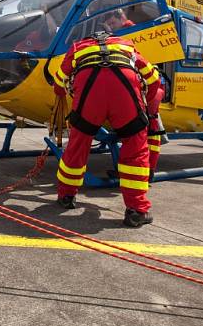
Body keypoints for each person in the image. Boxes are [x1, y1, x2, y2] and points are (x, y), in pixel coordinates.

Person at [52, 30, 164, 227]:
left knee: (77, 147)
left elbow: (59, 83)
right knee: (135, 150)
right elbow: (154, 79)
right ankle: (136, 210)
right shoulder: (127, 46)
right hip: (126, 93)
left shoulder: (77, 48)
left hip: (89, 95)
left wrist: (65, 93)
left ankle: (66, 196)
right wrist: (146, 105)